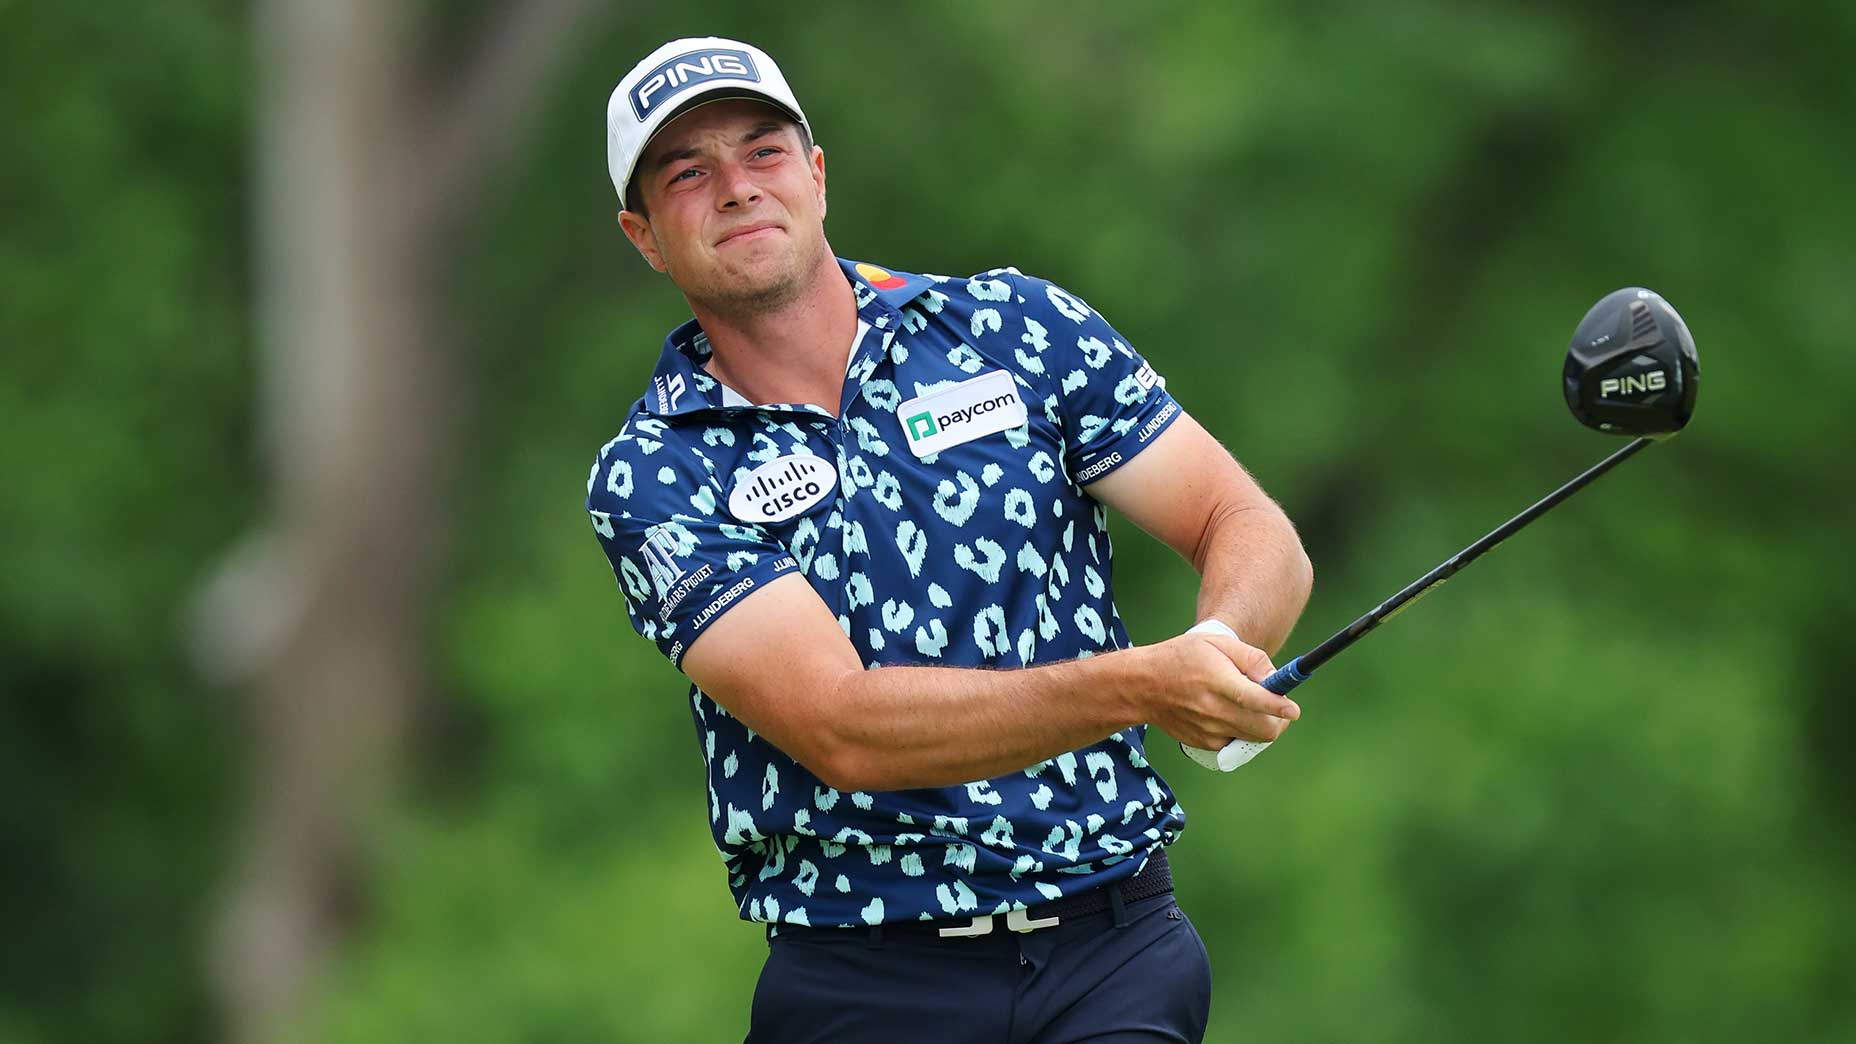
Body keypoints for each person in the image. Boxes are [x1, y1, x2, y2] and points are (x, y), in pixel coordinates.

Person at [587, 36, 1313, 1044]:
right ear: (644, 235)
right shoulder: (656, 472)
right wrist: (1147, 683)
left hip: (1111, 944)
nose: (737, 190)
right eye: (687, 173)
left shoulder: (1014, 327)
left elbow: (1240, 523)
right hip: (865, 982)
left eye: (762, 153)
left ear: (817, 177)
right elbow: (840, 728)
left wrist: (1219, 654)